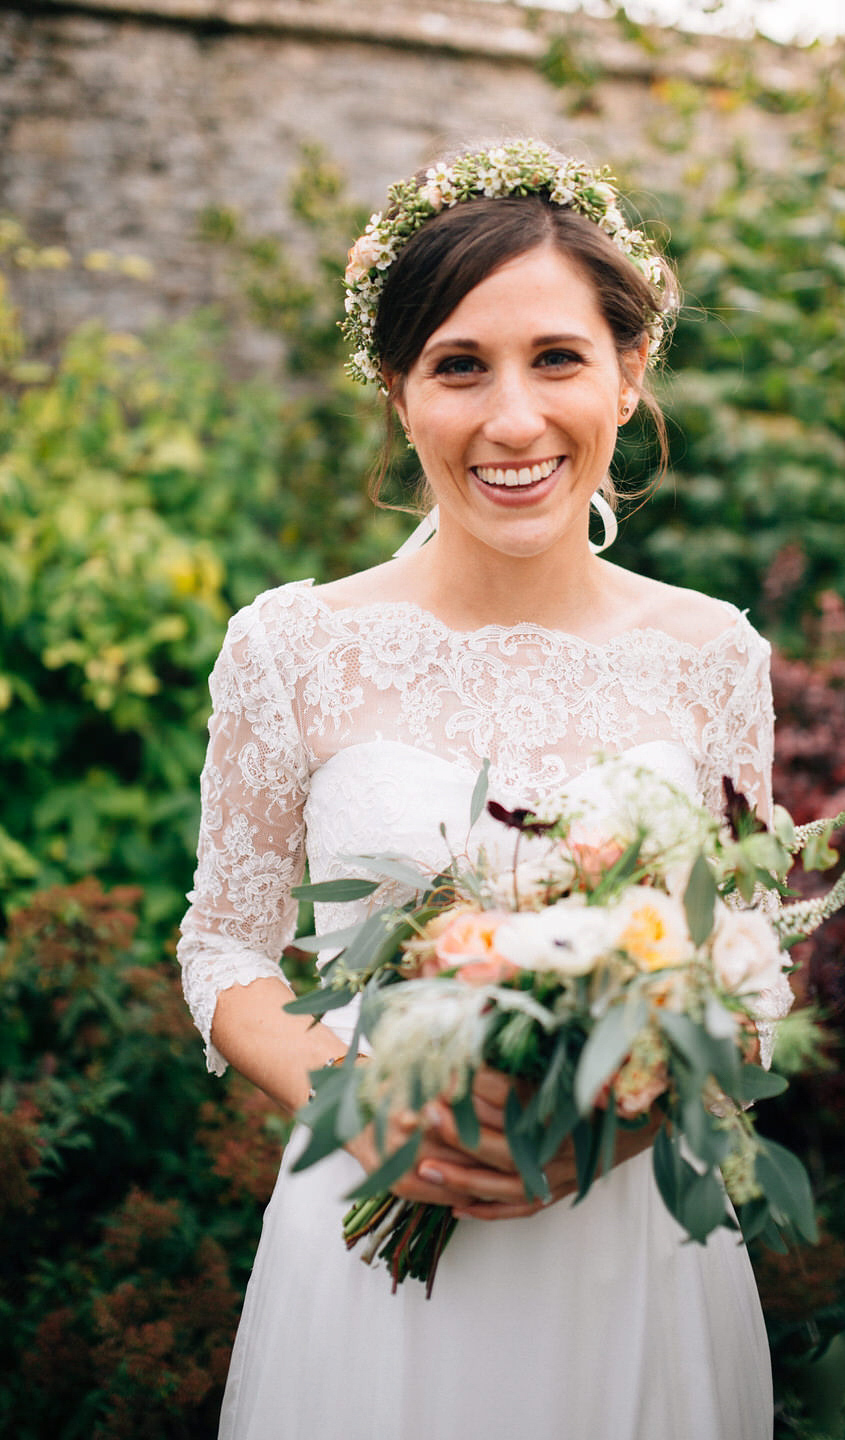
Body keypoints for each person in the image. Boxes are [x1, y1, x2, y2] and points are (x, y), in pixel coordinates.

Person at [178, 139, 784, 1440]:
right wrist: (361, 1093)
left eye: (557, 358)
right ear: (399, 393)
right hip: (369, 1271)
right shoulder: (291, 649)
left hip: (636, 1258)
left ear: (629, 375)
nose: (512, 420)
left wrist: (617, 1117)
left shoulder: (714, 658)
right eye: (459, 365)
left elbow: (746, 975)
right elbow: (225, 945)